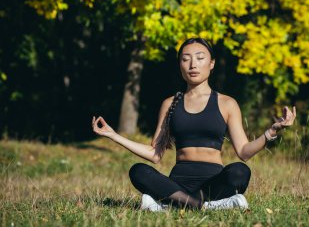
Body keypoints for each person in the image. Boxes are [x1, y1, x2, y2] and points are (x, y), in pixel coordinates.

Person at [92, 37, 296, 211]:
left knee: (240, 172)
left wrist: (272, 131)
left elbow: (244, 152)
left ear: (212, 63)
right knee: (138, 171)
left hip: (213, 182)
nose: (193, 65)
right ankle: (204, 205)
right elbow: (155, 154)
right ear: (180, 64)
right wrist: (113, 135)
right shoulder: (170, 103)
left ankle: (171, 204)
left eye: (200, 58)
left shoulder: (227, 103)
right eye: (186, 59)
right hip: (177, 181)